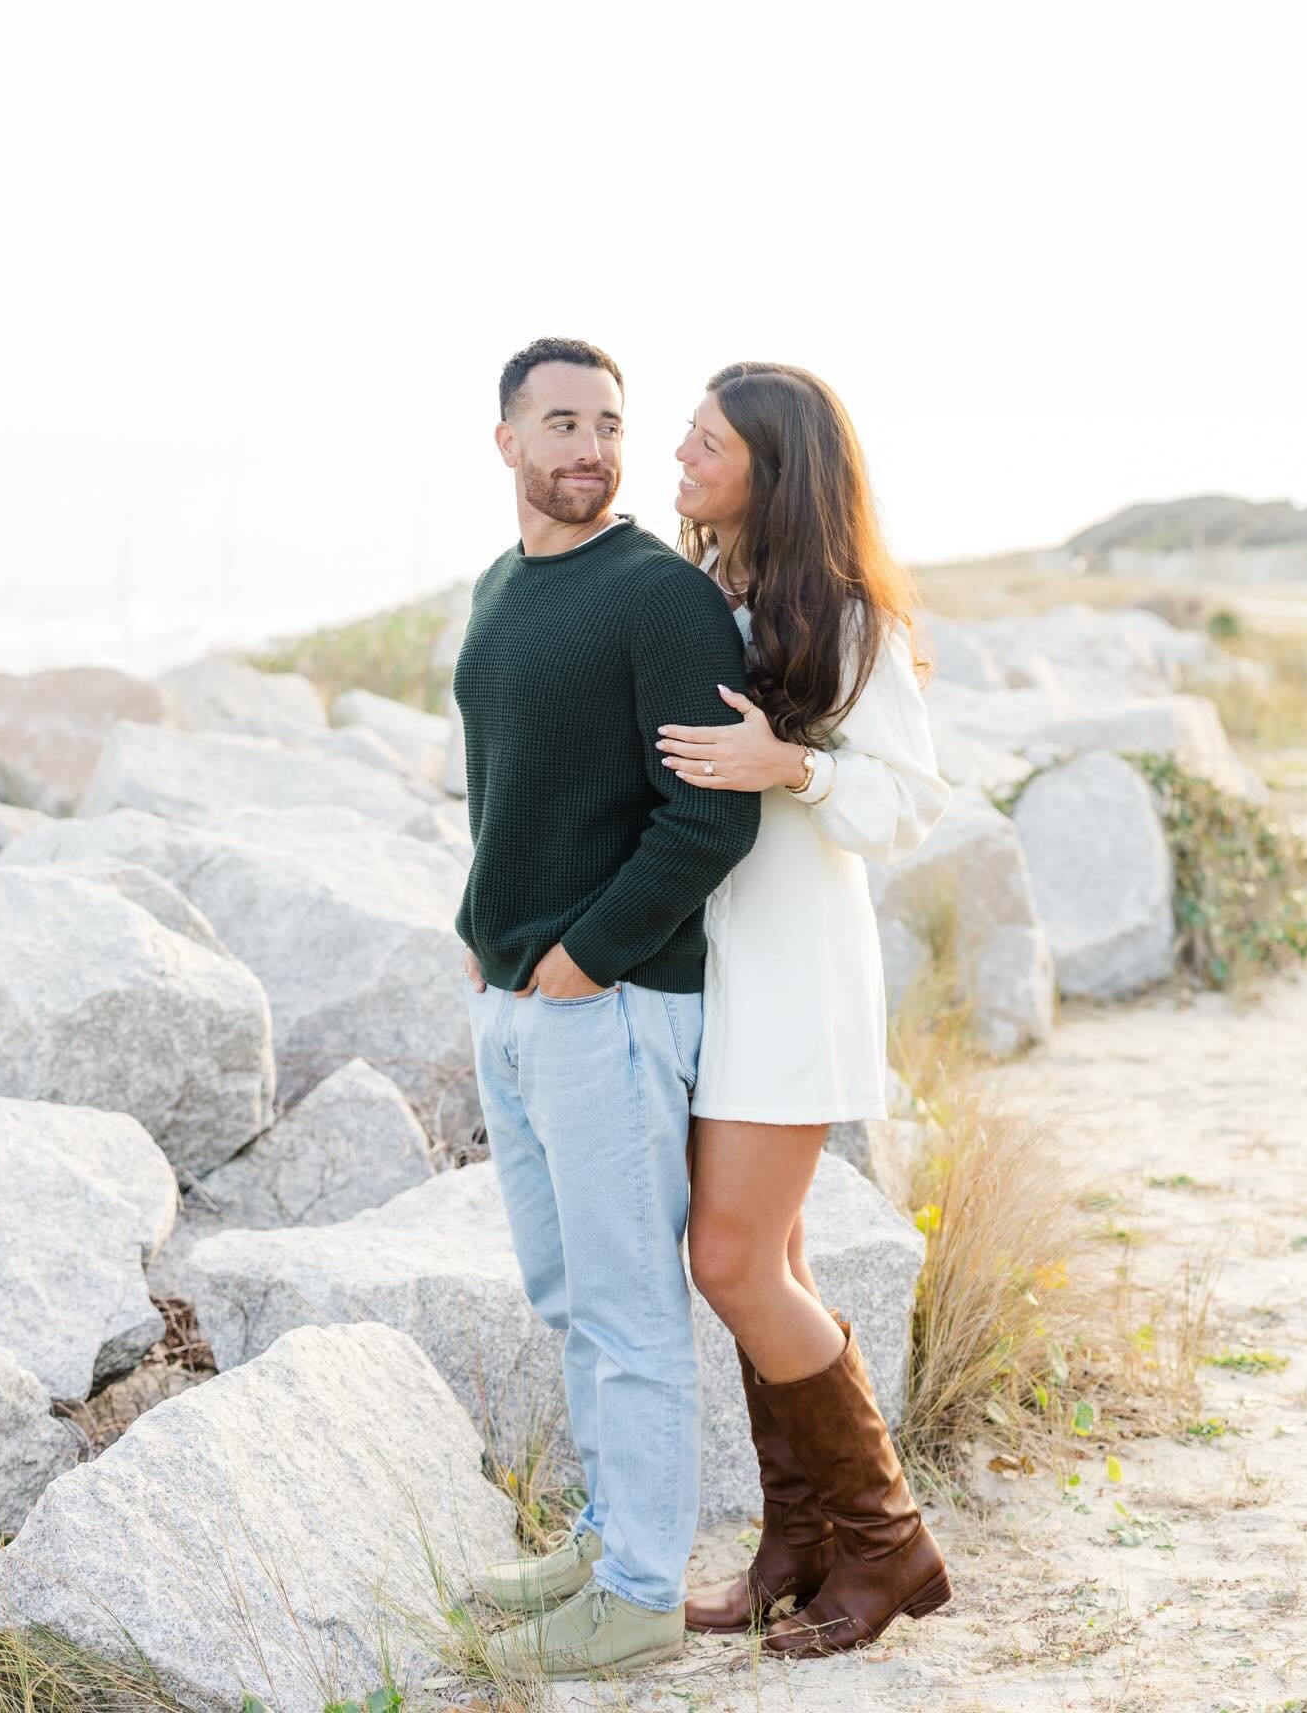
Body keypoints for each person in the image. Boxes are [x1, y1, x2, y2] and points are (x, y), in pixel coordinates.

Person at [455, 337, 760, 1681]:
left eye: (610, 424)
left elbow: (713, 816)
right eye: (561, 421)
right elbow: (505, 778)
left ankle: (642, 1590)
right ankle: (608, 1538)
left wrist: (583, 961)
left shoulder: (661, 599)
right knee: (572, 1291)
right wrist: (487, 939)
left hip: (618, 1006)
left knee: (632, 1307)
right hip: (516, 1001)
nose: (589, 446)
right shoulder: (500, 586)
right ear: (507, 440)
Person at [659, 361, 955, 1657]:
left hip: (792, 980)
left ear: (773, 471)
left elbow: (910, 802)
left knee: (730, 1261)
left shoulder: (843, 614)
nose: (678, 453)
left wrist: (795, 767)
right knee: (760, 1265)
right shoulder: (709, 598)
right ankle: (801, 1538)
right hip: (713, 979)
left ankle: (888, 1546)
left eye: (707, 441)